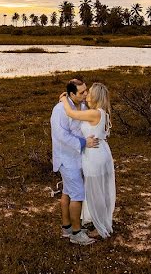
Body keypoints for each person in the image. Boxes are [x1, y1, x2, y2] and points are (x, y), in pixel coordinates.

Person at [59, 82, 115, 239]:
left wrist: (64, 98)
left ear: (96, 96)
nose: (86, 95)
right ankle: (100, 221)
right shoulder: (99, 112)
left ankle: (99, 226)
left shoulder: (95, 113)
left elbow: (71, 113)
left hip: (94, 155)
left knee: (95, 192)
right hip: (100, 152)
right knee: (99, 191)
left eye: (89, 93)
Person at [51, 79, 100, 245]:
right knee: (78, 194)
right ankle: (76, 234)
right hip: (66, 158)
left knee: (67, 191)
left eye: (86, 90)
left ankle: (67, 228)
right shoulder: (59, 110)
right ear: (71, 94)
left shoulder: (83, 106)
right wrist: (84, 142)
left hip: (79, 157)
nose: (86, 94)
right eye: (82, 92)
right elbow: (61, 136)